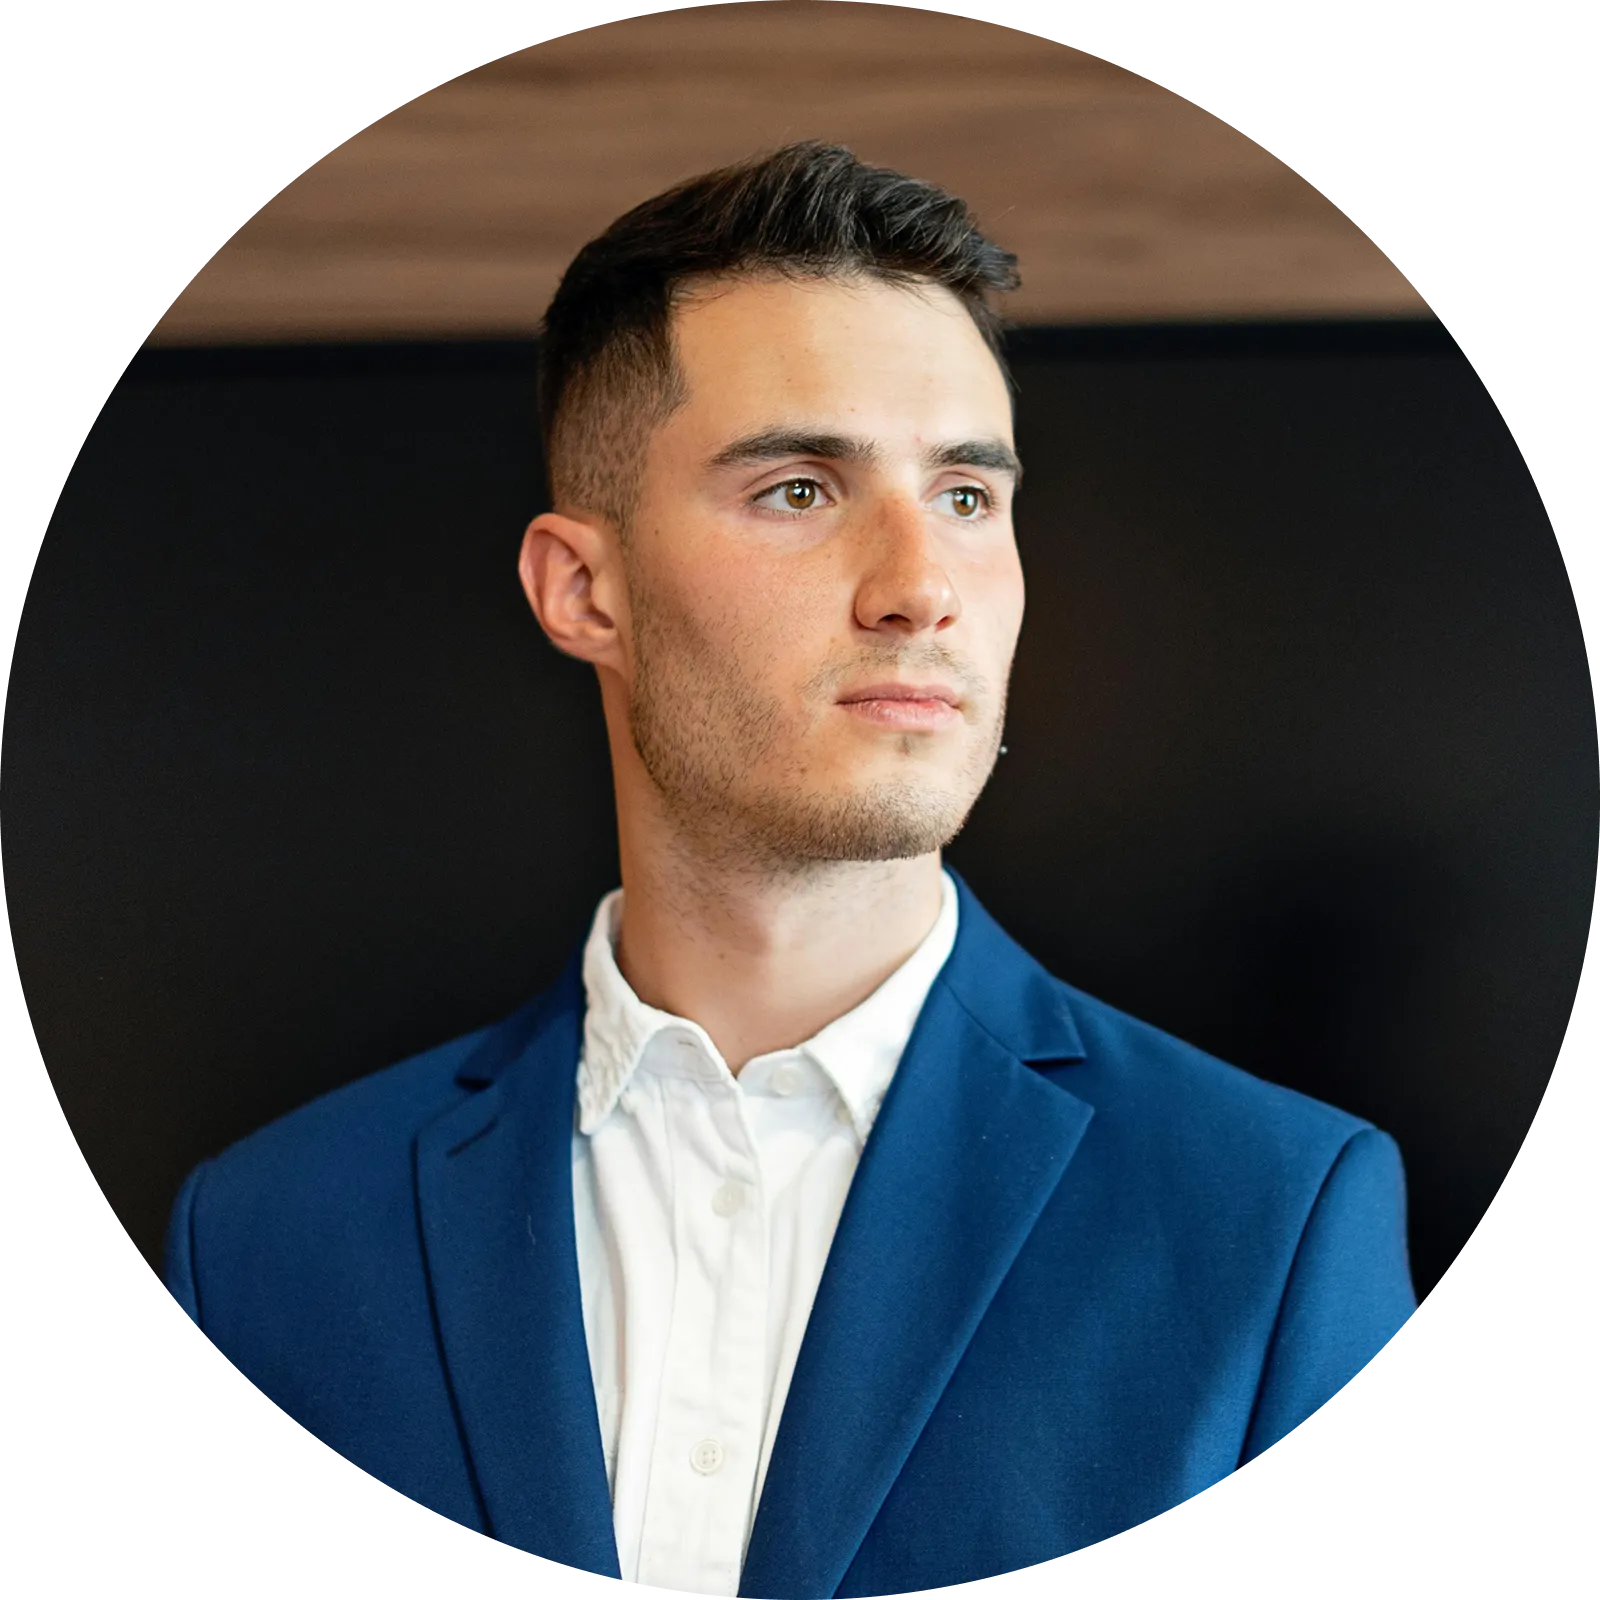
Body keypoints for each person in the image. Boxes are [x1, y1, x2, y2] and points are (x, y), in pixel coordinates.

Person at [164, 141, 1415, 1599]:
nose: (922, 586)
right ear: (586, 589)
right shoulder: (268, 1240)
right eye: (802, 489)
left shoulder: (1274, 1216)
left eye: (964, 495)